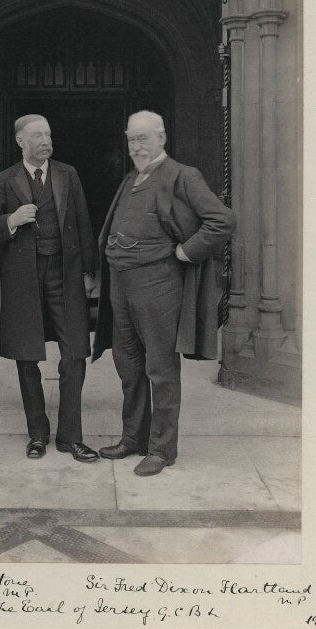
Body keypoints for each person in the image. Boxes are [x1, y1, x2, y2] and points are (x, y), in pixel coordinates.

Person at [92, 110, 235, 476]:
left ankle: (161, 449)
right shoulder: (132, 178)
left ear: (161, 137)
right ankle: (133, 438)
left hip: (159, 286)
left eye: (143, 138)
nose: (136, 146)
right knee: (128, 365)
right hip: (121, 286)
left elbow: (222, 221)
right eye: (131, 139)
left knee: (160, 369)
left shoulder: (182, 175)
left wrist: (186, 251)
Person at [0, 114, 98, 462]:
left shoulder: (68, 174)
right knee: (26, 355)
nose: (45, 140)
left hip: (65, 274)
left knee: (76, 353)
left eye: (48, 133)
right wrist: (11, 221)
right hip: (24, 277)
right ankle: (37, 433)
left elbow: (82, 221)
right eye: (37, 135)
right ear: (20, 141)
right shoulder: (5, 180)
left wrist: (89, 271)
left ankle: (70, 437)